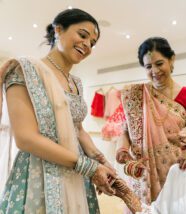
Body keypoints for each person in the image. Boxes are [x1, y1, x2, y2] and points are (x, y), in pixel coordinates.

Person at [0, 8, 116, 213]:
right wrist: (88, 167)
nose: (87, 45)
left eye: (93, 43)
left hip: (76, 172)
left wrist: (102, 161)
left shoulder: (76, 83)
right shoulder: (25, 70)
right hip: (39, 171)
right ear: (58, 30)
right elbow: (25, 138)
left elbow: (78, 129)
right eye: (82, 35)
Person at [115, 37, 186, 207]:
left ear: (171, 60)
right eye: (148, 66)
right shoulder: (136, 96)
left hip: (179, 167)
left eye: (159, 63)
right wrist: (123, 150)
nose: (154, 71)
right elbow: (125, 130)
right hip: (144, 172)